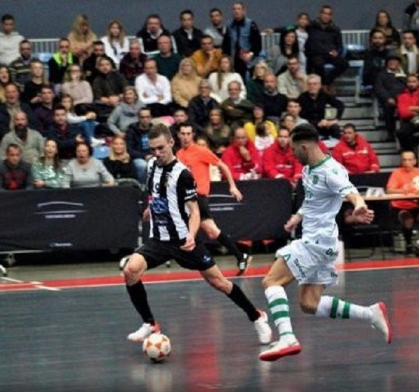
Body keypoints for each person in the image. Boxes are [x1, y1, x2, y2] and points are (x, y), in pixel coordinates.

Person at [121, 122, 271, 344]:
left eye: (161, 148)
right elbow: (156, 193)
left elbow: (195, 212)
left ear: (171, 142)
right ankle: (150, 323)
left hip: (184, 240)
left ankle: (257, 316)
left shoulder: (183, 174)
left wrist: (191, 235)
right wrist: (150, 209)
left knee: (219, 283)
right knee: (130, 270)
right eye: (152, 149)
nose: (157, 153)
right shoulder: (151, 165)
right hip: (159, 239)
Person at [258, 124, 391, 362]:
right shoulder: (309, 168)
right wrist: (298, 217)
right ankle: (370, 313)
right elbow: (311, 200)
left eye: (293, 149)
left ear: (304, 147)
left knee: (271, 281)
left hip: (316, 242)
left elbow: (349, 191)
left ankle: (287, 338)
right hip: (323, 242)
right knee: (309, 303)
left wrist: (359, 204)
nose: (292, 154)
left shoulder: (331, 171)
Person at [176, 123, 251, 274]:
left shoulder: (201, 151)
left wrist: (232, 186)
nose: (185, 137)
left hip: (198, 198)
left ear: (193, 135)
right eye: (183, 134)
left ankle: (203, 262)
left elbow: (223, 166)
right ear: (178, 135)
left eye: (188, 134)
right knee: (212, 232)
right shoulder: (179, 154)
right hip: (185, 198)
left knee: (188, 232)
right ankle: (240, 256)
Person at [305, 5, 348, 89]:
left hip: (330, 54)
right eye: (324, 13)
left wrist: (337, 52)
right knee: (317, 64)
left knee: (344, 64)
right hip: (316, 54)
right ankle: (324, 86)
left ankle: (326, 83)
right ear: (320, 14)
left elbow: (339, 45)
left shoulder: (335, 29)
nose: (326, 16)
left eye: (328, 14)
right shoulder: (311, 27)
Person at [386, 150, 419, 255]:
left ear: (415, 161)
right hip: (401, 206)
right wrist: (403, 190)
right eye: (404, 160)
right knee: (407, 218)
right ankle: (409, 245)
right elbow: (389, 190)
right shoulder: (397, 173)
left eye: (410, 160)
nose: (407, 162)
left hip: (416, 204)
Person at [222, 2, 262, 80]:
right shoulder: (229, 25)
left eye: (239, 9)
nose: (236, 11)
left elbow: (257, 43)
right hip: (234, 59)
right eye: (234, 9)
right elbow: (226, 43)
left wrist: (251, 54)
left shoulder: (251, 24)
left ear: (244, 11)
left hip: (248, 59)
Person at [298, 74, 345, 141]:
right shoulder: (302, 97)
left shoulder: (323, 95)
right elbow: (302, 116)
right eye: (310, 84)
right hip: (308, 123)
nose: (312, 86)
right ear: (307, 86)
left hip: (323, 123)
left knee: (335, 128)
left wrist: (334, 120)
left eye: (315, 84)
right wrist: (316, 123)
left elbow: (340, 105)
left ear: (319, 85)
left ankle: (335, 145)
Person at [374, 53, 407, 142]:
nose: (392, 63)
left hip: (405, 100)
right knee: (388, 107)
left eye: (395, 61)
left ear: (398, 63)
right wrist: (388, 98)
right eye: (390, 61)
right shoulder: (381, 75)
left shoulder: (404, 74)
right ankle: (390, 132)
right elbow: (378, 88)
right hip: (390, 99)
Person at [126, 107, 154, 184]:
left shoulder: (154, 130)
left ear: (151, 118)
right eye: (142, 117)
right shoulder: (131, 130)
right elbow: (129, 149)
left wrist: (152, 155)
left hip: (153, 155)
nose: (145, 119)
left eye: (147, 117)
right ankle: (142, 186)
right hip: (137, 157)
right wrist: (144, 156)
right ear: (138, 118)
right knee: (143, 165)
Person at [396, 73, 419, 151]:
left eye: (414, 81)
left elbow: (406, 110)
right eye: (409, 82)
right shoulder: (402, 96)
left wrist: (411, 108)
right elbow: (403, 113)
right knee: (401, 133)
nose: (411, 84)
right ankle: (410, 153)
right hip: (409, 121)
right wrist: (416, 111)